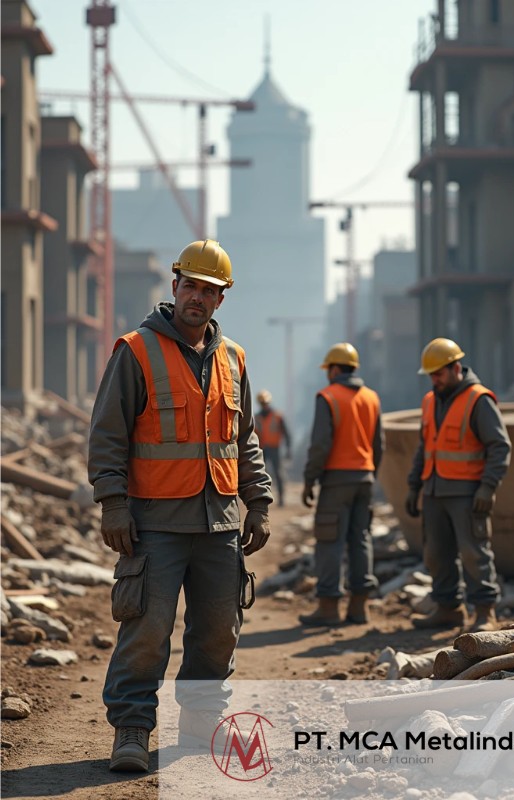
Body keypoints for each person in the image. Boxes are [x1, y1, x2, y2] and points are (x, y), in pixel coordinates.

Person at [88, 239, 272, 772]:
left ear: (221, 300)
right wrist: (113, 504)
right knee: (146, 629)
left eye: (209, 290)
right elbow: (107, 435)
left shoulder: (234, 358)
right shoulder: (135, 350)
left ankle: (198, 724)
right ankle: (132, 730)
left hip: (219, 522)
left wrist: (257, 501)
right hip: (154, 522)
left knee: (219, 629)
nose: (197, 296)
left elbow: (245, 439)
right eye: (189, 285)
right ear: (174, 288)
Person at [406, 338, 511, 632]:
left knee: (474, 553)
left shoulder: (479, 400)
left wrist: (487, 488)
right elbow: (424, 447)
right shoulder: (430, 401)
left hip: (467, 494)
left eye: (438, 374)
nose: (433, 380)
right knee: (436, 554)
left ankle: (484, 613)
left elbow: (500, 447)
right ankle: (448, 608)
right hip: (434, 491)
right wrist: (414, 486)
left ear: (455, 369)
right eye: (430, 375)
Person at [299, 343, 384, 627]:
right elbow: (378, 444)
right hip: (365, 478)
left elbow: (320, 444)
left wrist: (310, 479)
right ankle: (360, 608)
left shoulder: (328, 396)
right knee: (360, 540)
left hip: (336, 480)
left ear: (334, 369)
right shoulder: (371, 397)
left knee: (329, 542)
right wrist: (371, 473)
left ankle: (329, 607)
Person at [254, 389, 292, 507]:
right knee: (261, 475)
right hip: (262, 449)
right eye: (262, 403)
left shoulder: (278, 416)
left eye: (265, 403)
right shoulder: (256, 418)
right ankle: (263, 499)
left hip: (275, 449)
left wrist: (288, 448)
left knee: (278, 473)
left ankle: (281, 499)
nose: (264, 405)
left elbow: (286, 433)